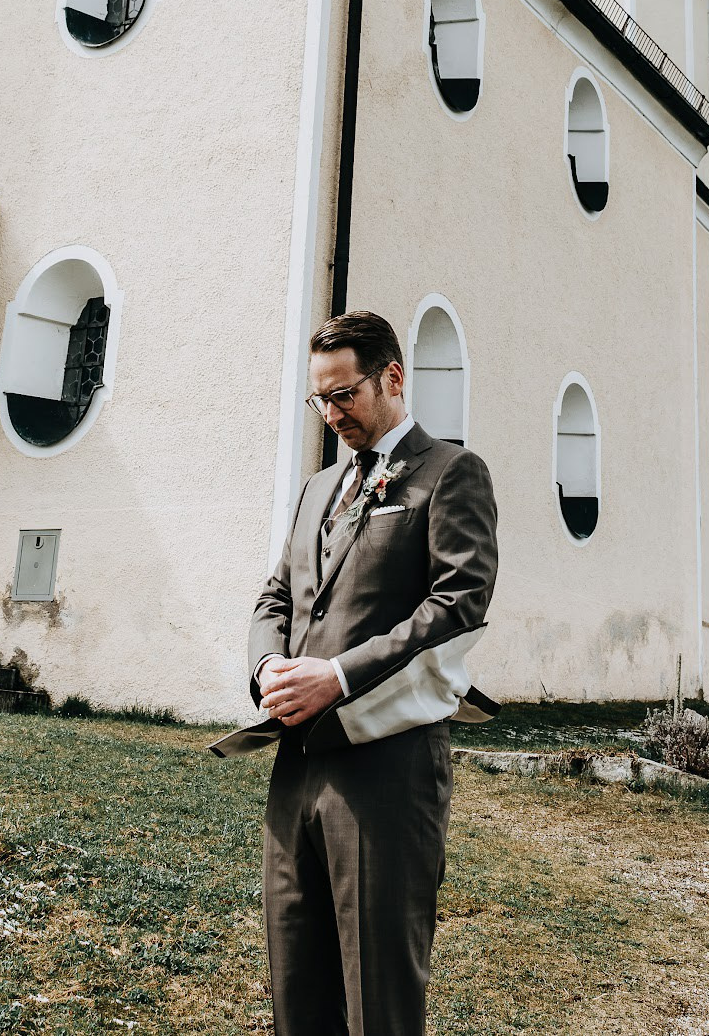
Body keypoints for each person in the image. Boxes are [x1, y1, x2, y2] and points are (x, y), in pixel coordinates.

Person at [231, 310, 499, 1036]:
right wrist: (269, 668)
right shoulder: (318, 488)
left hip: (389, 769)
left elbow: (458, 602)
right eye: (320, 398)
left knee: (379, 996)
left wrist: (338, 676)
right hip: (294, 769)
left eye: (344, 393)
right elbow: (276, 596)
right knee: (297, 991)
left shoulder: (450, 474)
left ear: (393, 377)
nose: (332, 413)